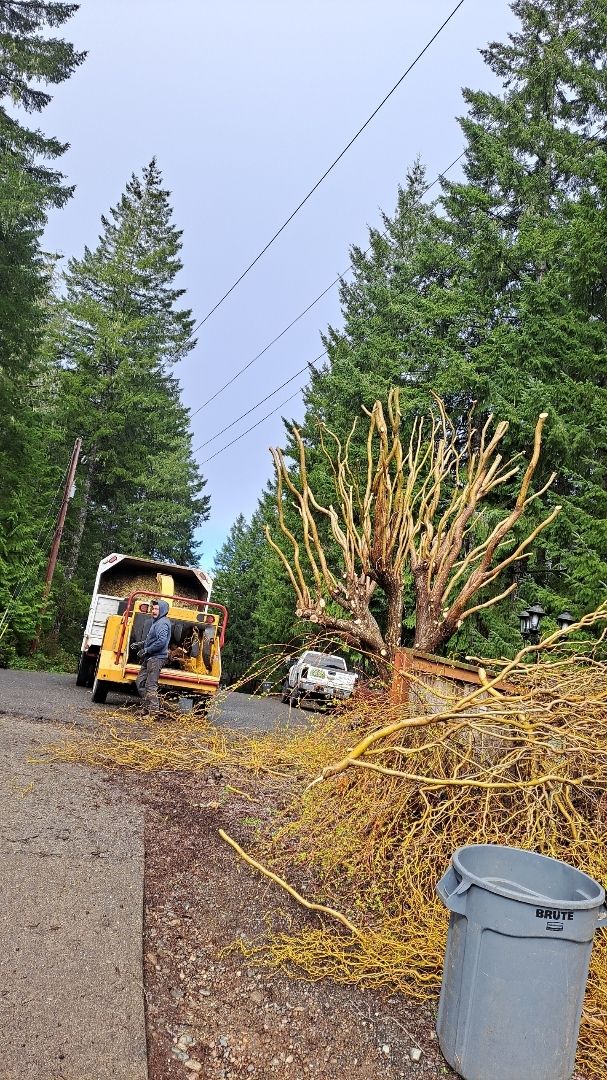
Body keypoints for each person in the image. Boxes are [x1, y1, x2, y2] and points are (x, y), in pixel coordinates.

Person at [135, 599, 171, 713]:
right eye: (153, 608)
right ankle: (146, 708)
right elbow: (153, 639)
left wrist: (146, 650)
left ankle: (153, 711)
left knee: (151, 685)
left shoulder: (162, 623)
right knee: (140, 682)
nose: (153, 611)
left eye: (156, 609)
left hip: (156, 658)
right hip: (150, 657)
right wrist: (140, 644)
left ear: (163, 610)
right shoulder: (157, 621)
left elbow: (161, 641)